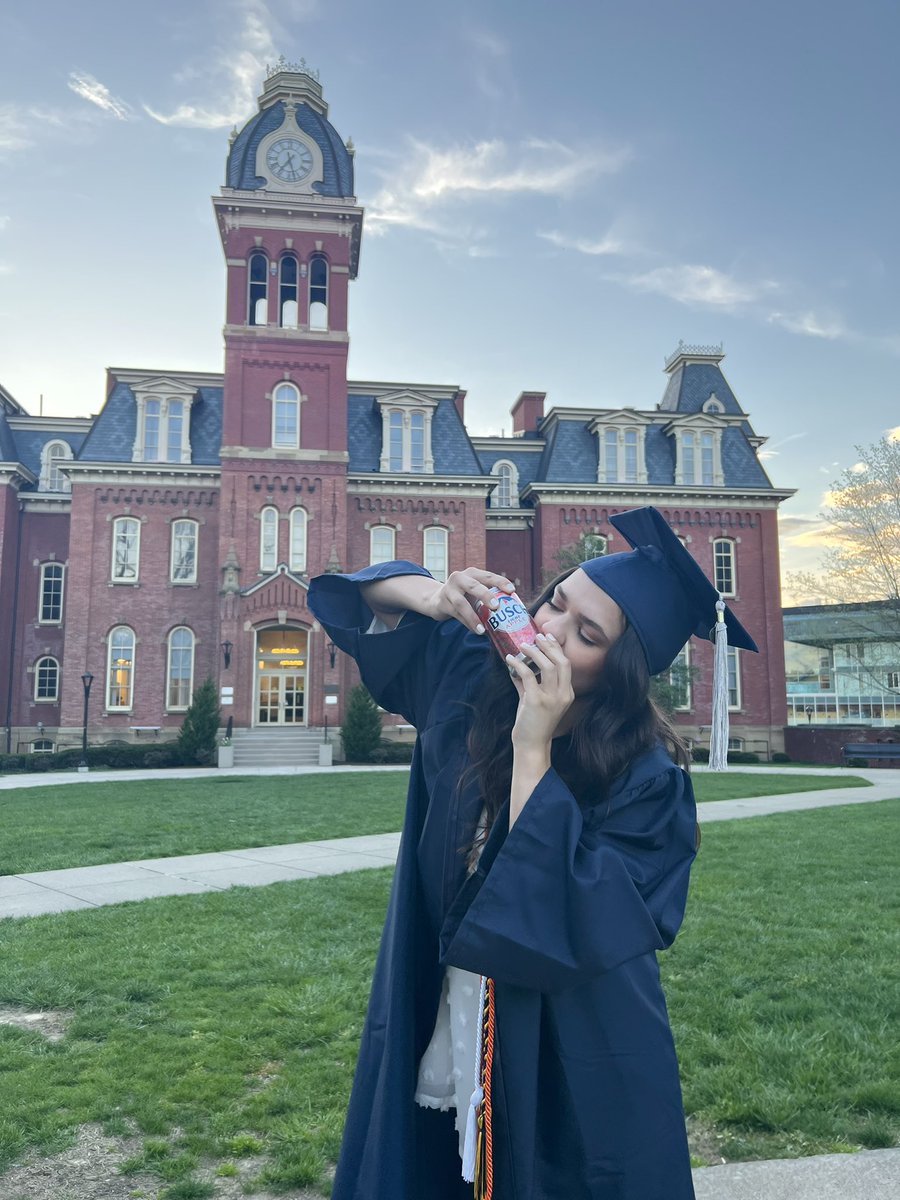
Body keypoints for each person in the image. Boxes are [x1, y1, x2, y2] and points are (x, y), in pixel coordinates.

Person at [308, 505, 757, 1200]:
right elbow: (359, 598)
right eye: (555, 601)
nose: (546, 628)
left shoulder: (648, 783)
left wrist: (533, 744)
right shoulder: (472, 677)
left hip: (563, 1040)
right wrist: (434, 593)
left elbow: (562, 914)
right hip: (442, 991)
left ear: (619, 673)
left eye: (585, 633)